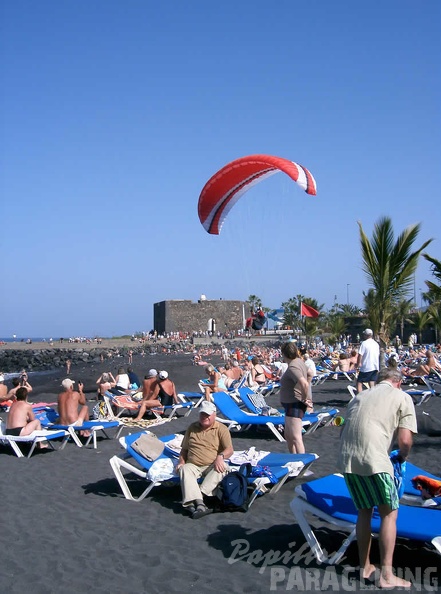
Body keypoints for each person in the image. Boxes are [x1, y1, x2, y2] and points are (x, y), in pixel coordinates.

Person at [337, 368, 417, 588]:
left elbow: (342, 431)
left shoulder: (359, 396)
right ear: (398, 382)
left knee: (364, 510)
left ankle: (365, 566)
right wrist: (402, 456)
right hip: (374, 459)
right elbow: (405, 439)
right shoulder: (402, 397)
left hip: (347, 459)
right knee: (389, 514)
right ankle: (387, 576)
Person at [176, 400, 233, 519]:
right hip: (194, 465)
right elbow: (184, 449)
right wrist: (181, 462)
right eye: (202, 414)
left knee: (222, 469)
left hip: (212, 464)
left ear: (214, 415)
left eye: (207, 415)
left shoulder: (221, 429)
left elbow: (229, 450)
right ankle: (201, 504)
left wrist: (220, 457)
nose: (204, 417)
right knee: (184, 469)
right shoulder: (192, 427)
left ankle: (197, 499)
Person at [279, 341, 312, 454]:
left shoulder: (293, 366)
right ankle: (293, 459)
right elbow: (310, 373)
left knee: (296, 437)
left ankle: (302, 464)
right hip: (290, 404)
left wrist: (305, 398)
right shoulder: (299, 362)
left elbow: (304, 383)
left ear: (284, 354)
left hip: (295, 403)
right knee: (288, 435)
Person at [356, 329, 380, 393]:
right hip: (375, 366)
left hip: (366, 366)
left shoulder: (364, 343)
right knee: (372, 382)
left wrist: (358, 364)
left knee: (359, 382)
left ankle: (360, 397)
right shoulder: (376, 344)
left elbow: (360, 355)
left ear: (366, 335)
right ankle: (373, 397)